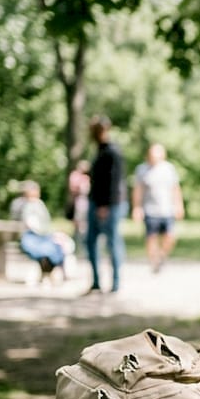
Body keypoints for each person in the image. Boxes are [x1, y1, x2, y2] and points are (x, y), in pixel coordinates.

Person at [85, 115, 126, 294]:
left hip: (110, 205)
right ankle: (96, 281)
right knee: (90, 241)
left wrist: (105, 206)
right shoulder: (99, 151)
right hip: (95, 201)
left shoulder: (112, 152)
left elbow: (114, 181)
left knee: (112, 241)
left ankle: (115, 282)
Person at [131, 143, 184, 272]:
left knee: (170, 236)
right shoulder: (142, 169)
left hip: (167, 209)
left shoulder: (169, 169)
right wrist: (137, 207)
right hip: (150, 209)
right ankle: (154, 262)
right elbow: (138, 190)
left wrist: (179, 205)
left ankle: (161, 255)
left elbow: (175, 189)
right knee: (151, 238)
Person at [9, 180, 70, 283]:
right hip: (30, 237)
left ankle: (51, 273)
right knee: (45, 250)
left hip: (43, 236)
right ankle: (47, 274)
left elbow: (46, 224)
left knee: (57, 247)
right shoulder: (20, 204)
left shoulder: (39, 204)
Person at [66, 159, 91, 252]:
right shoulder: (75, 175)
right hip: (78, 202)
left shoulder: (88, 177)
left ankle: (84, 245)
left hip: (86, 202)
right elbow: (73, 188)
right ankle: (76, 243)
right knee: (77, 223)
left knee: (85, 224)